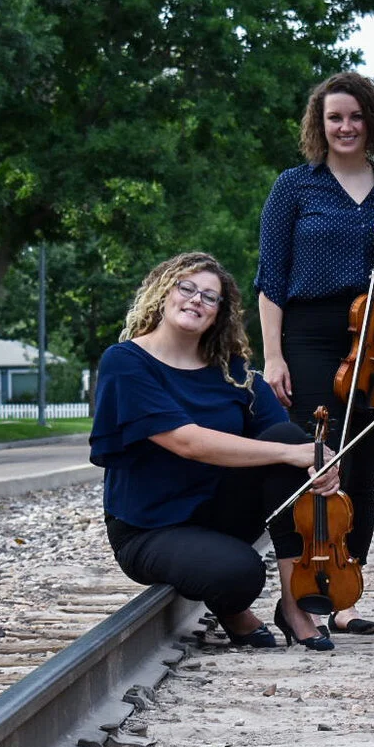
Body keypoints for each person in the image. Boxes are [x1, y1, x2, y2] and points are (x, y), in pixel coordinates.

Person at [255, 71, 374, 636]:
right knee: (313, 461)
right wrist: (273, 357)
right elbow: (270, 280)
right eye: (335, 117)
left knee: (360, 469)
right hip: (308, 336)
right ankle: (301, 595)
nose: (346, 126)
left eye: (356, 116)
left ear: (372, 122)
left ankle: (346, 595)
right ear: (321, 123)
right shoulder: (294, 187)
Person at [91, 251, 340, 651]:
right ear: (163, 293)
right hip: (149, 528)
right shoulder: (125, 362)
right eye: (186, 288)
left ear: (219, 313)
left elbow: (287, 441)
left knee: (292, 440)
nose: (196, 300)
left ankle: (295, 605)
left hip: (219, 515)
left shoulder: (232, 371)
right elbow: (185, 441)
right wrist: (287, 454)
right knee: (240, 575)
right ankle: (233, 609)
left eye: (210, 297)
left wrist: (319, 461)